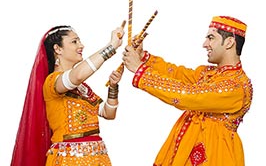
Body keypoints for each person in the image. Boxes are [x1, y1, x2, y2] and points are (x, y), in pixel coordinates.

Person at [122, 16, 253, 166]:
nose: (205, 44)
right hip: (184, 153)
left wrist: (141, 70)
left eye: (211, 38)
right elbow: (177, 74)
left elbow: (189, 96)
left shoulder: (236, 86)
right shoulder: (209, 74)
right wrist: (144, 58)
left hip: (214, 157)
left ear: (229, 42)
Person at [11, 25, 125, 166]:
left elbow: (108, 113)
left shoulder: (83, 88)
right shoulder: (53, 82)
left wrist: (113, 87)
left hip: (98, 159)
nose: (81, 45)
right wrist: (111, 47)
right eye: (74, 41)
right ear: (57, 49)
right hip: (69, 160)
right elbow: (76, 76)